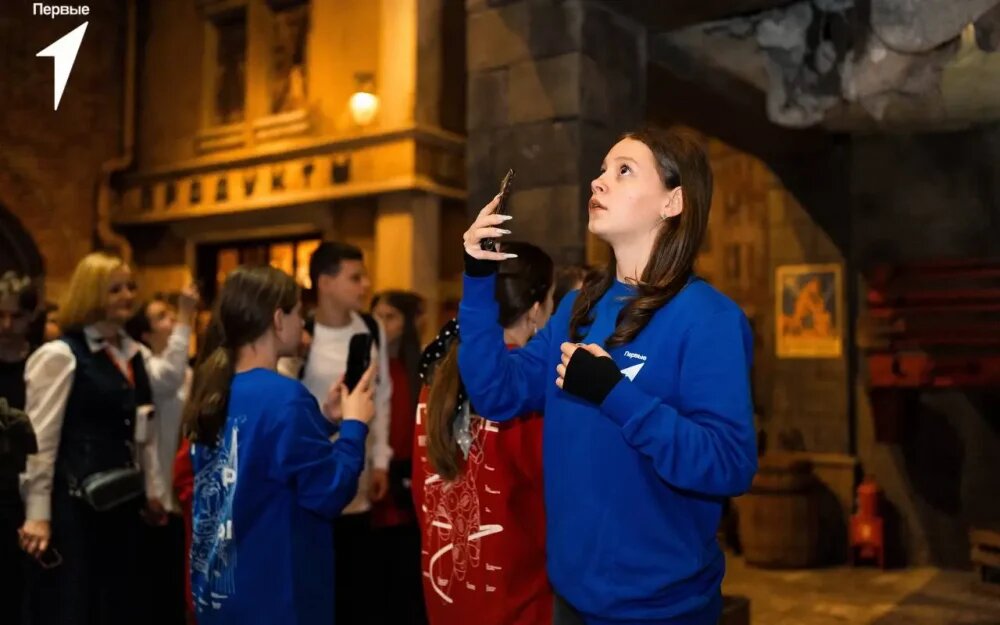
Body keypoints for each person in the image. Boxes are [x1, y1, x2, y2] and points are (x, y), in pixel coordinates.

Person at [459, 128, 757, 625]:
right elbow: (496, 392)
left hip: (660, 609)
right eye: (602, 170)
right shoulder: (579, 307)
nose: (598, 182)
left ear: (672, 202)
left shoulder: (708, 318)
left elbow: (728, 464)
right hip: (570, 596)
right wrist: (476, 279)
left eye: (624, 171)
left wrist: (615, 393)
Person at [184, 265, 376, 625]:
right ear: (277, 319)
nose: (302, 324)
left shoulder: (216, 391)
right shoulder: (283, 396)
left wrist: (324, 419)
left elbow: (260, 456)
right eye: (298, 313)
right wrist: (354, 426)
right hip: (275, 596)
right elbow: (329, 491)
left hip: (222, 591)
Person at [19, 252, 174, 625]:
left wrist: (153, 491)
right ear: (91, 293)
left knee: (119, 605)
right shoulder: (61, 355)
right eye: (115, 289)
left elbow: (144, 431)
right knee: (77, 606)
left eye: (130, 287)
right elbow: (39, 442)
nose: (128, 296)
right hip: (76, 509)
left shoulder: (134, 354)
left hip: (123, 503)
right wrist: (38, 516)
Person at [413, 241, 554, 625]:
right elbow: (551, 498)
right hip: (516, 596)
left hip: (447, 590)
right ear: (537, 309)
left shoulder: (436, 377)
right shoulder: (525, 392)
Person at [278, 241, 392, 625]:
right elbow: (286, 401)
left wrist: (381, 460)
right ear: (325, 282)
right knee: (318, 579)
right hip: (314, 474)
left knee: (358, 580)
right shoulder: (301, 333)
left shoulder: (371, 328)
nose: (365, 285)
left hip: (359, 467)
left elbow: (383, 396)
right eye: (354, 277)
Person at [125, 287, 199, 625]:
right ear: (145, 333)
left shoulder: (183, 370)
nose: (170, 322)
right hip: (157, 486)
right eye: (161, 317)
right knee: (160, 582)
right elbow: (168, 378)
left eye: (170, 316)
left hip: (183, 481)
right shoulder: (144, 364)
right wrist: (185, 316)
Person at [370, 290, 427, 625]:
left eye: (390, 317)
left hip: (409, 487)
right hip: (376, 482)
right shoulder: (370, 367)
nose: (381, 324)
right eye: (377, 316)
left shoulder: (419, 368)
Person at [0, 270, 39, 625]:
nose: (7, 325)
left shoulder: (41, 363)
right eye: (0, 315)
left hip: (29, 492)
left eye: (16, 315)